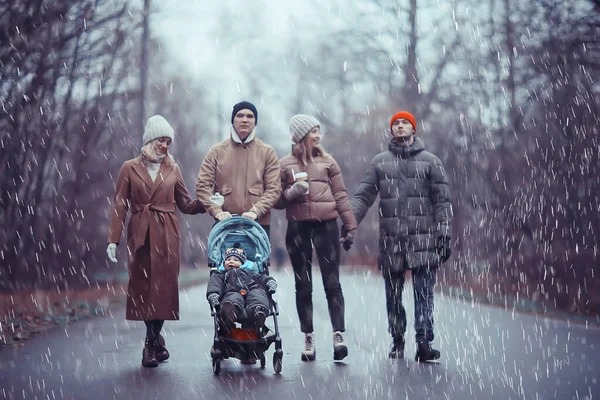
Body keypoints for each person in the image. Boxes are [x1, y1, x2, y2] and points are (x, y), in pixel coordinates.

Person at [351, 110, 452, 362]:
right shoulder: (379, 162)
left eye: (405, 122)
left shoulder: (431, 161)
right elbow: (364, 196)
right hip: (392, 239)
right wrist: (349, 223)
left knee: (423, 293)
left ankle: (423, 341)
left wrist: (444, 233)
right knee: (393, 295)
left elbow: (442, 201)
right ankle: (397, 339)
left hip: (424, 238)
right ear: (391, 130)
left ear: (413, 129)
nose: (399, 126)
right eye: (395, 123)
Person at [106, 115, 205, 368]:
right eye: (162, 140)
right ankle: (157, 338)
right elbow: (120, 205)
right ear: (150, 140)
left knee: (162, 289)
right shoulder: (129, 167)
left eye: (168, 141)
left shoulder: (173, 167)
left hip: (167, 233)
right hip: (140, 231)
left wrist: (206, 204)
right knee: (143, 289)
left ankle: (149, 345)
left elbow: (185, 203)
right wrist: (113, 240)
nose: (165, 146)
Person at [276, 114, 358, 362]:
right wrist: (291, 192)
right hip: (298, 228)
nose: (317, 135)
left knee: (332, 283)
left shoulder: (328, 162)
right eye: (313, 131)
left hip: (327, 226)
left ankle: (338, 335)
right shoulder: (284, 164)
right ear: (300, 136)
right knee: (303, 285)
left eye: (318, 130)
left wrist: (350, 225)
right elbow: (276, 200)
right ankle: (308, 337)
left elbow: (341, 195)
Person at [196, 101, 281, 237]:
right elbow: (202, 186)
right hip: (225, 224)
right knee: (221, 259)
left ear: (255, 122)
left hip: (258, 225)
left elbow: (274, 189)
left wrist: (256, 211)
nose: (245, 120)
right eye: (240, 115)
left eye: (250, 116)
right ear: (233, 120)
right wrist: (217, 211)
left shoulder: (267, 152)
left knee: (257, 259)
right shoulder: (216, 151)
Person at [206, 243, 277, 333]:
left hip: (251, 291)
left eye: (235, 260)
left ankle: (258, 311)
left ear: (242, 263)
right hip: (231, 291)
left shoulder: (251, 272)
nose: (231, 261)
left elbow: (262, 278)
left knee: (257, 293)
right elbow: (214, 284)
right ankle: (231, 312)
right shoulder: (221, 275)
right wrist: (214, 295)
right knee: (232, 297)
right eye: (228, 259)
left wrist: (270, 282)